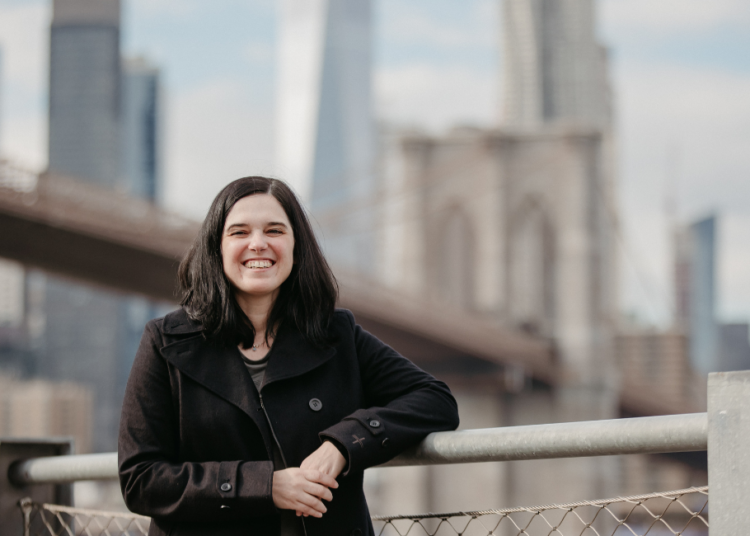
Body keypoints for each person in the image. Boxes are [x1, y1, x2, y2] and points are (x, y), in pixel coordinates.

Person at [118, 176, 460, 536]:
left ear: (297, 246)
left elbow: (435, 399)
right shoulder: (165, 342)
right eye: (239, 232)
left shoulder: (336, 335)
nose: (258, 244)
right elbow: (141, 479)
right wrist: (265, 486)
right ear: (216, 248)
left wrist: (344, 443)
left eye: (274, 230)